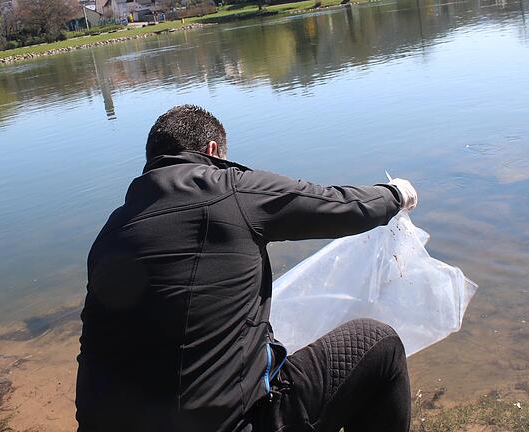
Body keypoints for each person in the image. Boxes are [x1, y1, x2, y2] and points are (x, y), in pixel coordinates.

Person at [76, 105, 418, 432]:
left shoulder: (111, 233)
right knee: (379, 343)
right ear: (213, 150)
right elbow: (338, 205)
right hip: (235, 426)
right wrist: (395, 194)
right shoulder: (230, 189)